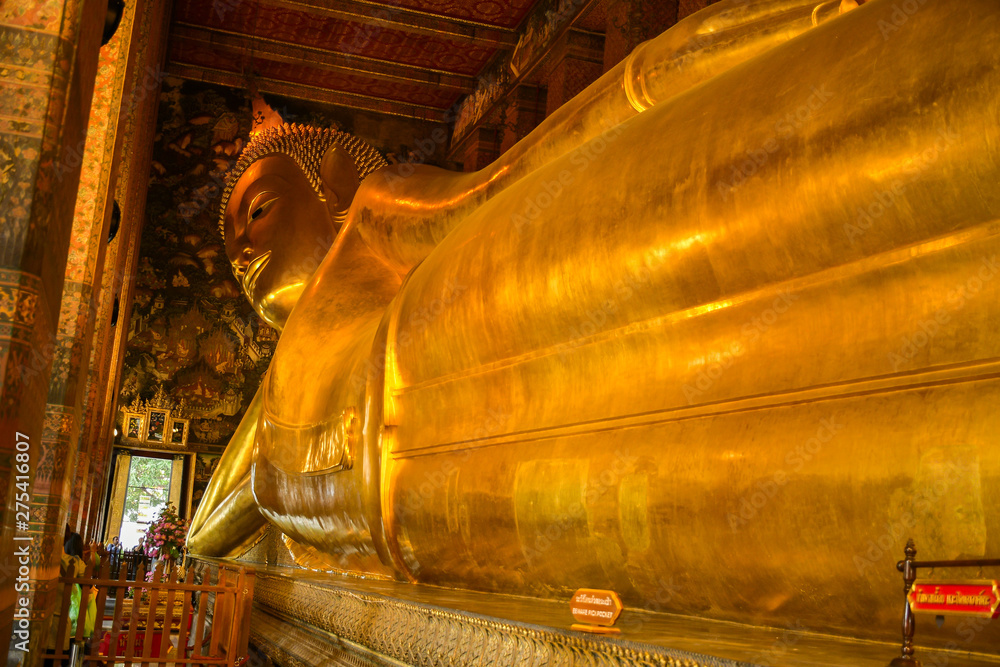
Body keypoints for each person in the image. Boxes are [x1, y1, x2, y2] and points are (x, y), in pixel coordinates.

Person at [190, 0, 1000, 649]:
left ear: (330, 182)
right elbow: (213, 522)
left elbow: (508, 178)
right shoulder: (283, 380)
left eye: (257, 212)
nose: (244, 250)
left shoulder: (372, 219)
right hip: (450, 496)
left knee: (714, 212)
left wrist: (685, 57)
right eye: (230, 248)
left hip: (445, 331)